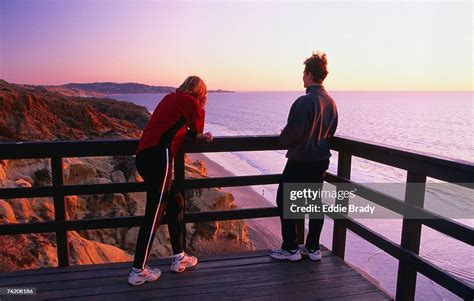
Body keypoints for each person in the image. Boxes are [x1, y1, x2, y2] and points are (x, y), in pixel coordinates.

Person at [129, 76, 213, 286]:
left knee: (175, 202)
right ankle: (137, 270)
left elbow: (178, 128)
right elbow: (198, 126)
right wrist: (201, 105)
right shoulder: (190, 101)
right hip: (159, 157)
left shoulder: (172, 98)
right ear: (199, 92)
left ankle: (179, 256)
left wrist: (195, 137)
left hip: (145, 157)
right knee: (155, 212)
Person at [269, 51, 338, 262]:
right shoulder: (331, 103)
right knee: (315, 204)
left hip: (300, 160)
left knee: (284, 200)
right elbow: (331, 131)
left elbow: (291, 134)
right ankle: (313, 247)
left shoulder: (304, 101)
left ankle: (291, 249)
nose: (302, 77)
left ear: (309, 74)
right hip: (320, 161)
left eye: (303, 73)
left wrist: (282, 138)